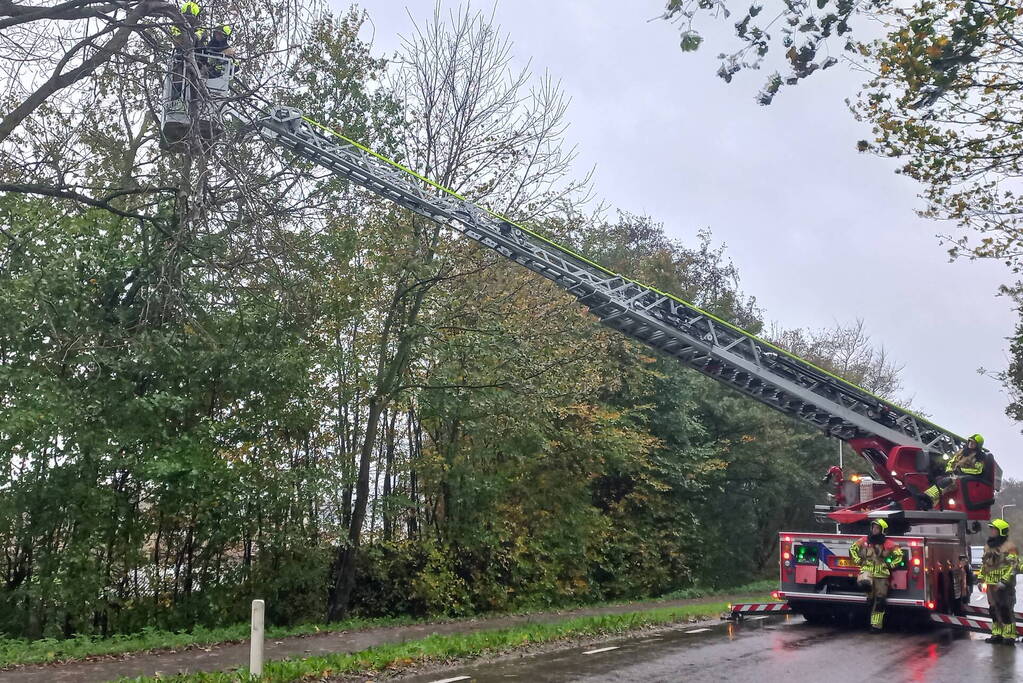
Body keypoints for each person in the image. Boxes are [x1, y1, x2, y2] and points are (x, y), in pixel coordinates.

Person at [849, 519, 904, 633]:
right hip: (867, 573)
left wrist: (891, 564)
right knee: (869, 598)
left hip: (881, 576)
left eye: (877, 528)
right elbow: (852, 549)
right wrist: (857, 560)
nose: (874, 530)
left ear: (882, 530)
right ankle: (863, 621)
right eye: (873, 527)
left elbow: (899, 555)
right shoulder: (864, 540)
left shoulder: (888, 543)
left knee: (880, 600)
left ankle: (876, 625)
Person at [978, 518, 1019, 645]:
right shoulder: (987, 547)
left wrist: (1004, 581)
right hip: (991, 585)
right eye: (991, 529)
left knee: (1005, 609)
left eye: (994, 529)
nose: (991, 531)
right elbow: (984, 564)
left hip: (1004, 586)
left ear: (1001, 531)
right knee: (993, 610)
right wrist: (980, 579)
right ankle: (997, 634)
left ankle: (1009, 635)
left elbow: (1013, 566)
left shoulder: (1010, 547)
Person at [921, 434, 985, 508]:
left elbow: (978, 470)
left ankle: (928, 497)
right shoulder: (961, 452)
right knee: (939, 478)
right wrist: (949, 470)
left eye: (973, 443)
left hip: (965, 478)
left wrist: (961, 470)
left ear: (978, 445)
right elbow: (951, 462)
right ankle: (929, 500)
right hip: (954, 475)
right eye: (970, 441)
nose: (971, 444)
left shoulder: (979, 456)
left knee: (948, 481)